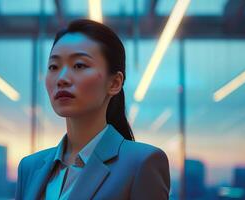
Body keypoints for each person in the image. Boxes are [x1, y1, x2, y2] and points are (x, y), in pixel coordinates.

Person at [15, 19, 170, 200]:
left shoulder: (141, 163)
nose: (62, 78)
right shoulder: (30, 167)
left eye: (79, 65)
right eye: (53, 67)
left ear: (114, 83)